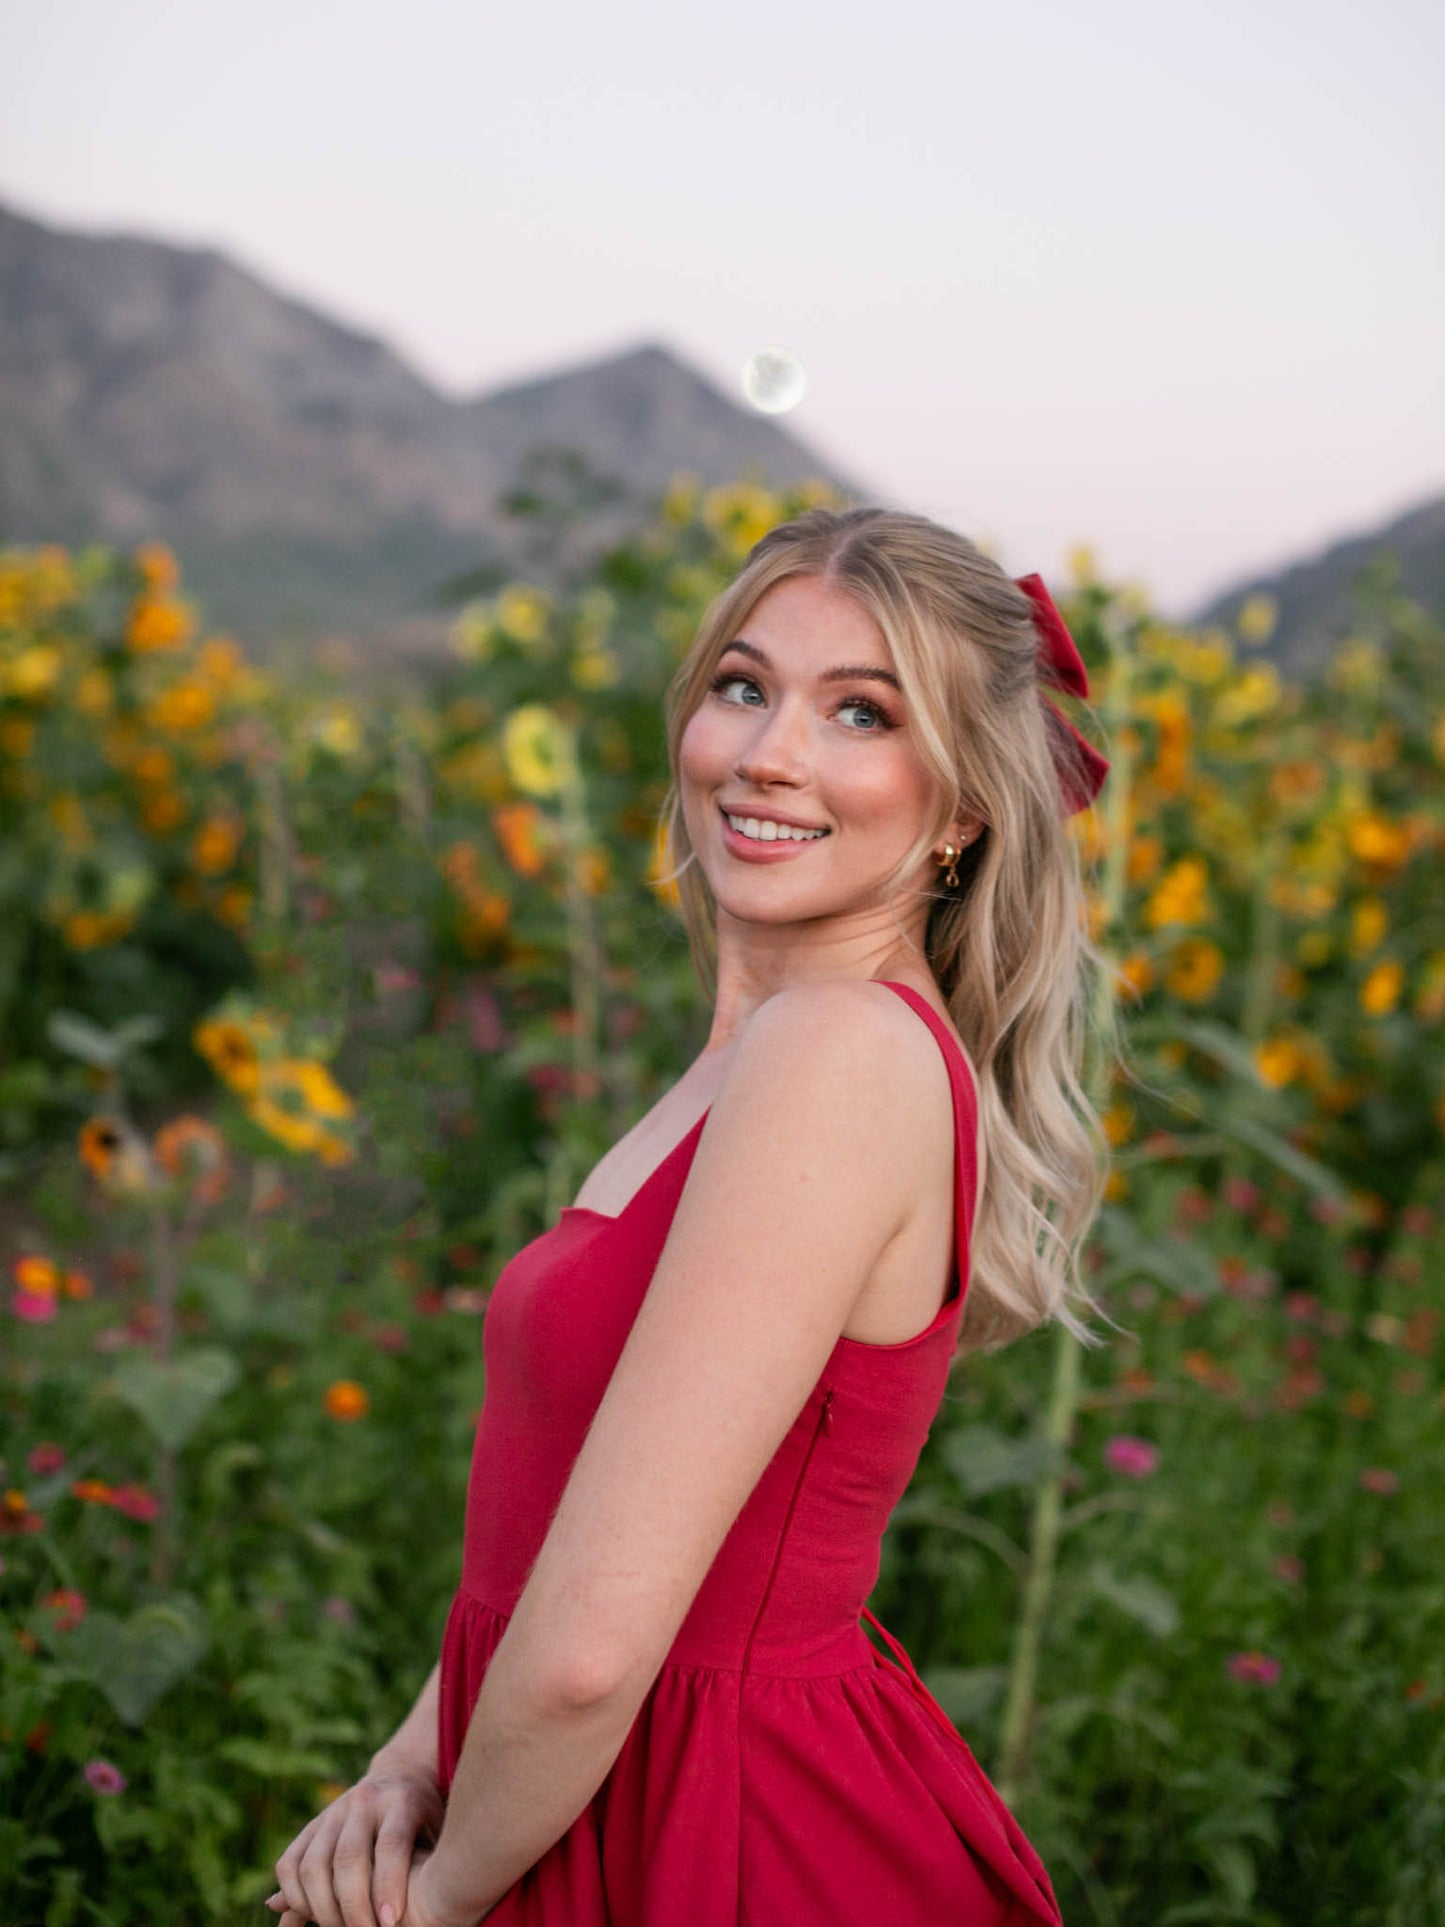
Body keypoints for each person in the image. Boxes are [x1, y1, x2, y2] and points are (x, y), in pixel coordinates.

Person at [267, 505, 1115, 1926]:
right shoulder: (764, 1053)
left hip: (710, 1828)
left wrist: (442, 1896)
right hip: (563, 1779)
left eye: (861, 713)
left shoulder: (833, 1054)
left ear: (964, 806)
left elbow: (595, 1650)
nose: (769, 752)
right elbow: (554, 1528)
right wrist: (409, 1767)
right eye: (743, 685)